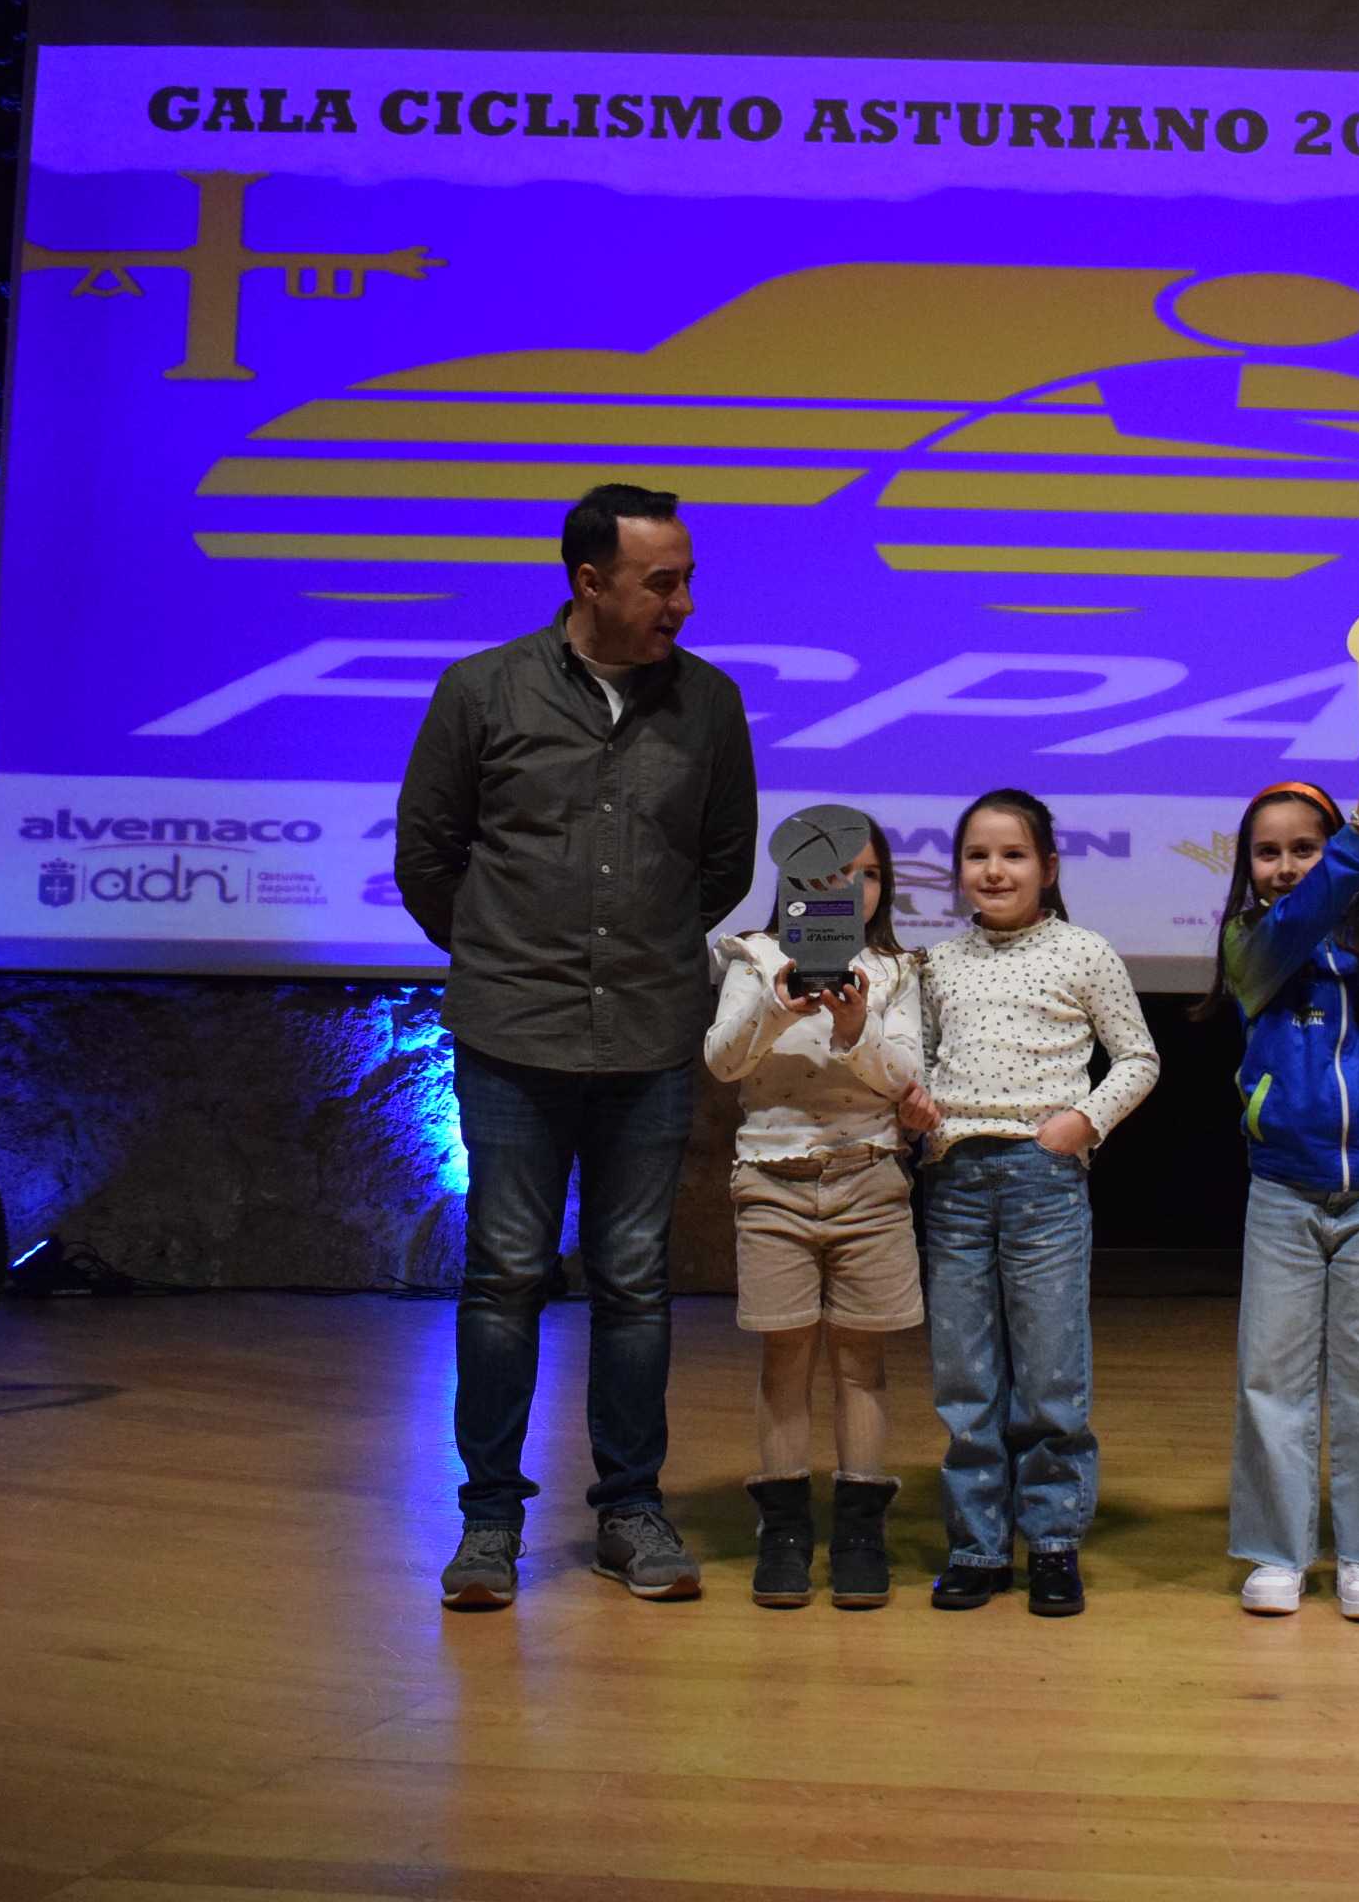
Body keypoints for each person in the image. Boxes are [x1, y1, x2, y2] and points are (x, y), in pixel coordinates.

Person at [395, 481, 756, 1611]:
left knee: (636, 1281)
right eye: (662, 581)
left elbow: (724, 864)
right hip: (513, 1034)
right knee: (503, 1275)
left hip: (648, 1033)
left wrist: (637, 950)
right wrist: (513, 953)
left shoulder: (709, 704)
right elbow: (428, 856)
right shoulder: (482, 690)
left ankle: (631, 1512)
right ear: (588, 581)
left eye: (687, 577)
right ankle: (490, 1522)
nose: (683, 602)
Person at [895, 789, 1160, 1617]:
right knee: (965, 1374)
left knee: (1049, 1373)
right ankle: (976, 1545)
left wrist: (1081, 1124)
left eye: (1013, 855)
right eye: (977, 856)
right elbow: (920, 1062)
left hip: (1043, 1182)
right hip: (955, 1183)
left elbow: (1139, 1058)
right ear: (957, 873)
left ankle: (1051, 1540)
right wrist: (917, 1109)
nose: (994, 870)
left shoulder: (1084, 952)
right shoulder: (934, 965)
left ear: (1047, 867)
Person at [1195, 764, 1359, 1623]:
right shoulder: (1247, 943)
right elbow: (1284, 940)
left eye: (1305, 847)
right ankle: (1278, 1550)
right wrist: (1356, 840)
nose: (1287, 866)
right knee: (1272, 1376)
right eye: (1268, 853)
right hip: (1283, 1190)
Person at [703, 818, 923, 1609]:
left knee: (862, 1363)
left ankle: (861, 1531)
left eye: (865, 875)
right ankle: (786, 1530)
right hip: (771, 1181)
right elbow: (723, 1059)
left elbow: (906, 1076)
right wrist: (779, 1006)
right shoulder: (756, 958)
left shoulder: (895, 969)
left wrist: (855, 1026)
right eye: (827, 875)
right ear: (795, 882)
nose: (848, 890)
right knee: (784, 1361)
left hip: (871, 1181)